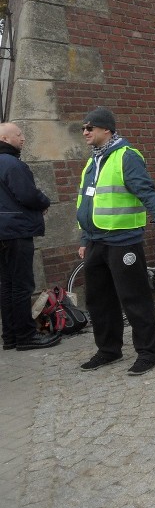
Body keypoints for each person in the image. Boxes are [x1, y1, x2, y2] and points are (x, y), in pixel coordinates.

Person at [76, 107, 155, 375]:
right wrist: (85, 237)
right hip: (96, 240)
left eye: (89, 128)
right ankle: (108, 350)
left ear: (106, 129)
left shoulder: (126, 157)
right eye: (83, 128)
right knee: (98, 299)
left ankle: (148, 352)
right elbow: (87, 200)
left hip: (122, 240)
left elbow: (148, 193)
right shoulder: (92, 161)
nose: (84, 132)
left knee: (134, 298)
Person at [0, 123, 59, 352]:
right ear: (5, 138)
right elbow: (26, 194)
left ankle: (10, 337)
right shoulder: (12, 163)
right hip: (16, 231)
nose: (23, 138)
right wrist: (44, 202)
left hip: (3, 232)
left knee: (7, 285)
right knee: (21, 286)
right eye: (18, 134)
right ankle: (25, 336)